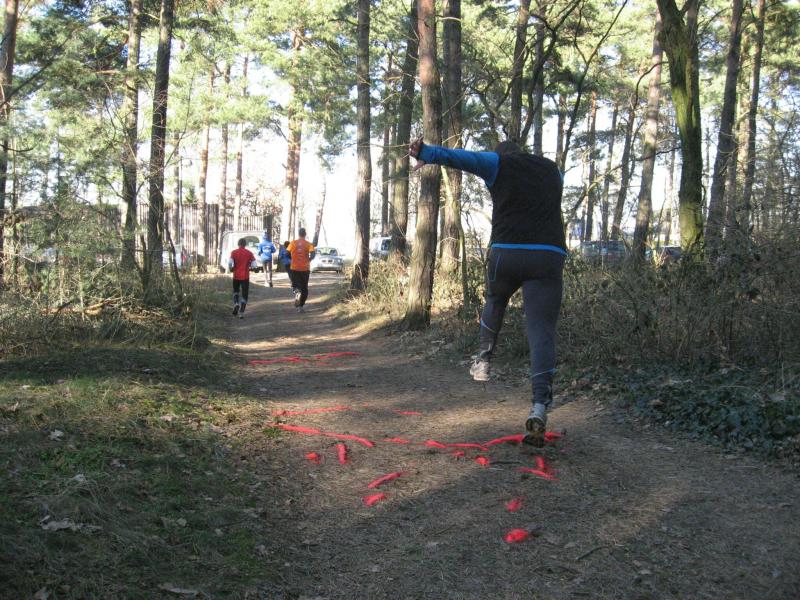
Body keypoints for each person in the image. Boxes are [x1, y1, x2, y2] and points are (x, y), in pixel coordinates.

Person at [409, 137, 566, 447]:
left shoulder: (498, 163)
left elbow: (463, 158)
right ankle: (539, 405)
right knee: (541, 331)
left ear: (501, 155)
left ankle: (483, 360)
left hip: (507, 252)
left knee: (496, 299)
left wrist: (427, 152)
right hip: (548, 255)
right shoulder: (553, 171)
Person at [287, 228, 315, 313]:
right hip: (305, 268)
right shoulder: (309, 244)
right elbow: (313, 254)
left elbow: (287, 253)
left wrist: (293, 259)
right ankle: (301, 307)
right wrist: (309, 260)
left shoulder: (292, 243)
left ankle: (297, 291)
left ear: (299, 234)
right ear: (305, 234)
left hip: (294, 268)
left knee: (296, 284)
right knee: (304, 287)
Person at [228, 237, 256, 319]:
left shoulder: (233, 252)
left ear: (238, 244)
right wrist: (251, 268)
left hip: (236, 275)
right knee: (245, 294)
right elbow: (254, 265)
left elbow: (230, 263)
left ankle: (236, 303)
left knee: (236, 291)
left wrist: (231, 269)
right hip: (245, 276)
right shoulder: (249, 253)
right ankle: (241, 312)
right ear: (245, 244)